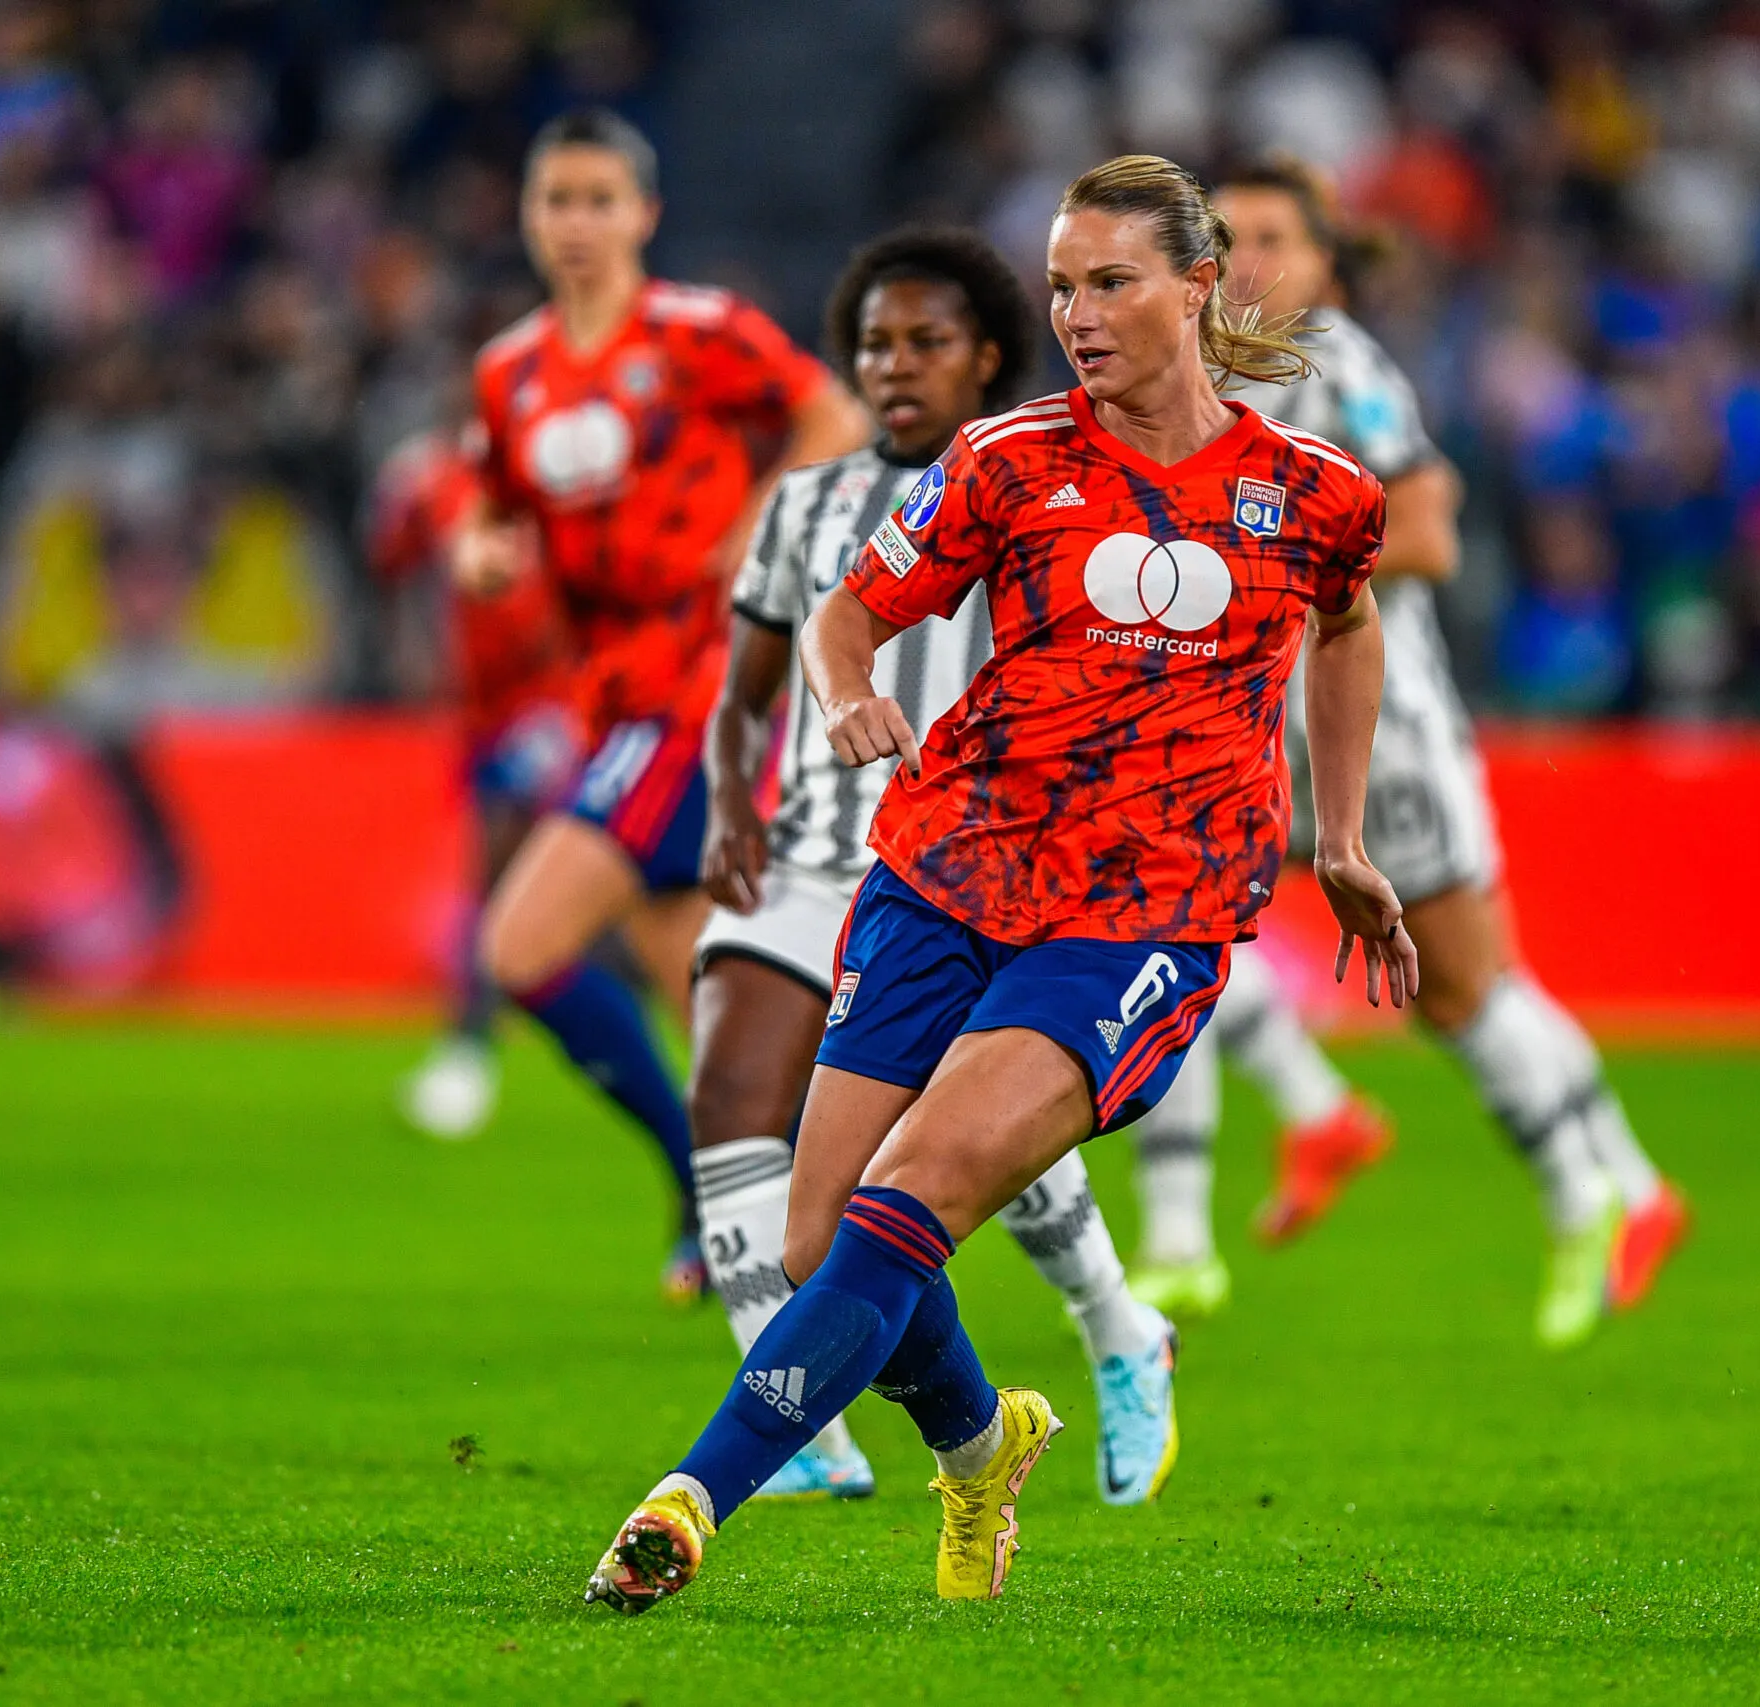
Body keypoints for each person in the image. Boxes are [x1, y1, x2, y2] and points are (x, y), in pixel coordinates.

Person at [585, 154, 1416, 1615]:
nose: (1078, 315)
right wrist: (846, 696)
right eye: (1061, 287)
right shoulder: (1005, 461)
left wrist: (1339, 837)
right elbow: (850, 611)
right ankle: (983, 1442)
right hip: (945, 869)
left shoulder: (1315, 493)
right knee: (814, 1237)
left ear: (1198, 283)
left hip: (1142, 916)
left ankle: (685, 1502)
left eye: (1111, 282)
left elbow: (1348, 630)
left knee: (908, 1196)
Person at [1127, 157, 1688, 1349]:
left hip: (1376, 727)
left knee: (1461, 988)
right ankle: (1184, 1234)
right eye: (1233, 237)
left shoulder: (1335, 363)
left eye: (1281, 236)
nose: (1253, 260)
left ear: (1328, 265)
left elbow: (1426, 531)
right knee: (1155, 934)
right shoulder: (1194, 384)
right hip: (1234, 727)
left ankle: (1608, 1193)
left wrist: (1274, 571)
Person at [690, 224, 1181, 1508]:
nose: (894, 368)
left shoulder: (1038, 483)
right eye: (872, 347)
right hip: (808, 857)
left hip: (980, 861)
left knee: (957, 1160)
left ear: (984, 359)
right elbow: (746, 687)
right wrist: (723, 804)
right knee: (737, 1099)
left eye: (926, 344)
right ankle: (805, 1419)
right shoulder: (801, 505)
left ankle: (1116, 1326)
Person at [457, 109, 868, 1297]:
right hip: (607, 695)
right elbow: (491, 503)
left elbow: (829, 414)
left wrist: (756, 529)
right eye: (556, 201)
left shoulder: (696, 333)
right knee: (713, 1000)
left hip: (697, 692)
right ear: (529, 217)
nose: (577, 224)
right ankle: (811, 1215)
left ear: (644, 212)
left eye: (599, 200)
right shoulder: (510, 373)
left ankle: (707, 1192)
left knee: (520, 944)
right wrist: (483, 550)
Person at [372, 422, 584, 1140]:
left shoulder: (567, 487)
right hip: (486, 711)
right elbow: (392, 560)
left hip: (557, 702)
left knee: (505, 866)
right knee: (520, 881)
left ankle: (471, 1047)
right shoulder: (441, 483)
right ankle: (477, 1044)